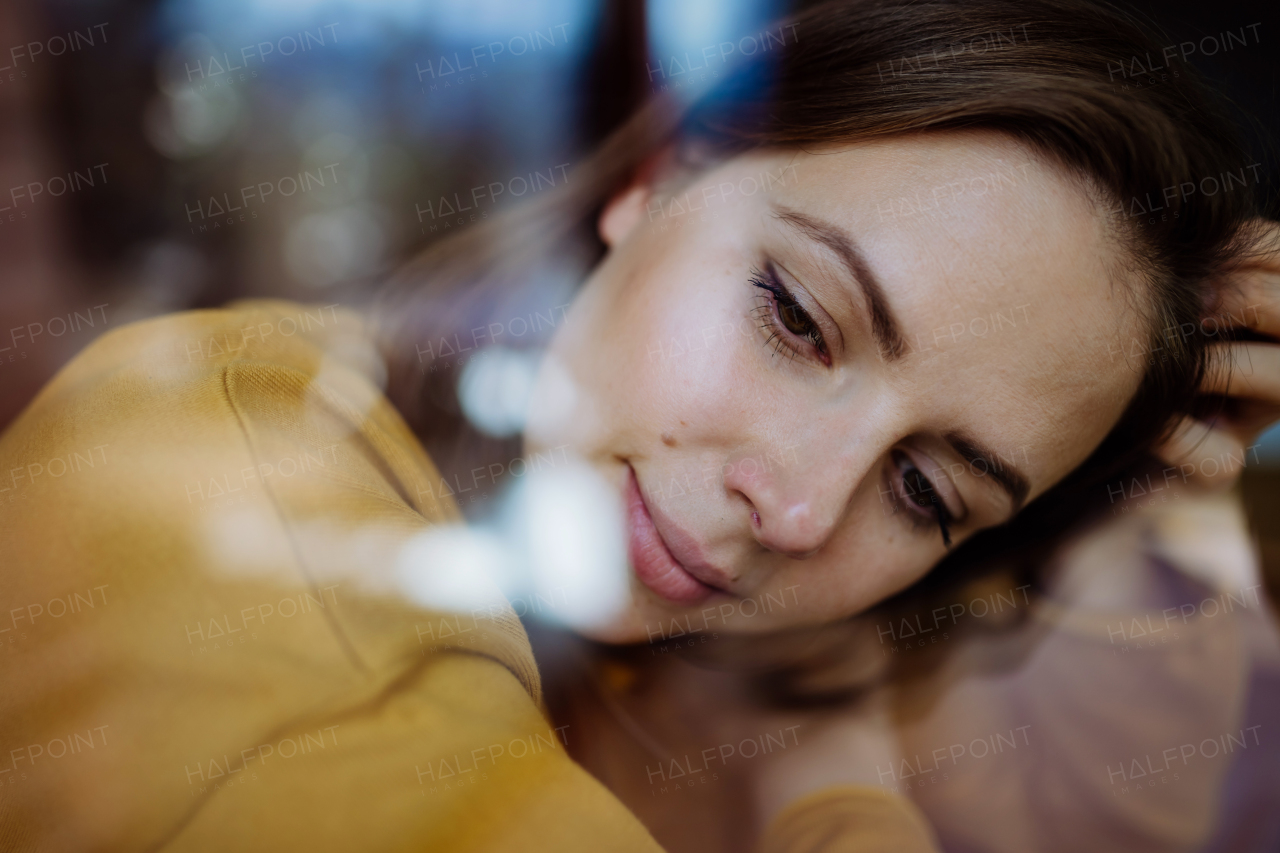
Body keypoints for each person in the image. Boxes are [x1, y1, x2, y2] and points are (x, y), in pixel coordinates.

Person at [1, 0, 1275, 850]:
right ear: (658, 178)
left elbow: (1097, 811)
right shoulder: (226, 505)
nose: (800, 508)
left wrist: (1148, 502)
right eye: (794, 317)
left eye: (926, 492)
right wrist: (829, 786)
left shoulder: (648, 637)